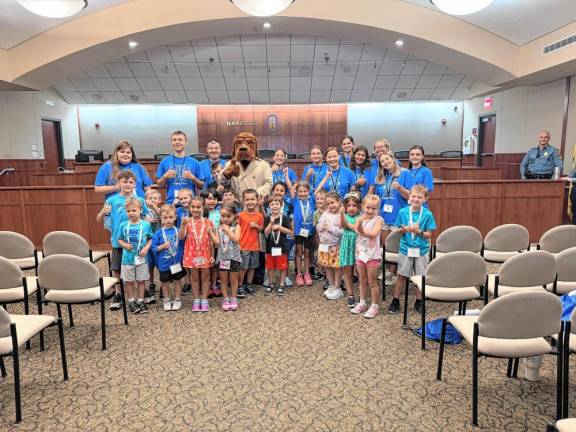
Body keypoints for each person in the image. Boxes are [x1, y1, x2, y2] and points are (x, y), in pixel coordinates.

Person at [96, 170, 149, 310]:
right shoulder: (111, 200)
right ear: (118, 183)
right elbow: (99, 219)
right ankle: (119, 293)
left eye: (130, 182)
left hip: (138, 244)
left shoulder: (140, 201)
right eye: (124, 182)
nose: (127, 184)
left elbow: (147, 218)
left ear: (135, 184)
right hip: (118, 242)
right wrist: (102, 212)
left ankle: (141, 295)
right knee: (117, 268)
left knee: (139, 268)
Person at [388, 185, 436, 314]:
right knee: (402, 275)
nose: (415, 199)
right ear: (409, 197)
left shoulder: (427, 214)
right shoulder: (403, 212)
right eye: (413, 196)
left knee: (420, 277)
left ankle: (419, 301)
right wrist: (402, 230)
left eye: (419, 197)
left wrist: (417, 231)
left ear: (425, 199)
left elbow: (429, 234)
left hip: (422, 250)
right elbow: (398, 229)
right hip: (405, 249)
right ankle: (396, 300)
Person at [180, 196, 218, 312]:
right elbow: (181, 237)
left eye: (198, 207)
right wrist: (182, 225)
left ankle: (204, 299)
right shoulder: (187, 222)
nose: (195, 209)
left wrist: (212, 255)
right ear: (189, 208)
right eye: (193, 207)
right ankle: (196, 299)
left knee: (206, 277)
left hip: (205, 253)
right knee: (194, 278)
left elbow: (214, 242)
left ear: (203, 207)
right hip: (192, 254)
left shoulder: (208, 222)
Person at [117, 197, 154, 315]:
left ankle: (141, 300)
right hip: (127, 259)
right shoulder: (123, 225)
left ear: (140, 210)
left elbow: (150, 239)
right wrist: (124, 245)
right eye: (128, 211)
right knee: (129, 282)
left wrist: (146, 248)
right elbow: (119, 239)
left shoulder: (146, 225)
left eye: (134, 210)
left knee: (141, 281)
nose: (131, 213)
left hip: (141, 259)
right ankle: (131, 301)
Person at [350, 194, 384, 319]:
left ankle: (375, 306)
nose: (370, 211)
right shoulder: (360, 218)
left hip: (372, 256)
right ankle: (362, 302)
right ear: (363, 206)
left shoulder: (379, 220)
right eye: (368, 207)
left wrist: (360, 228)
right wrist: (358, 224)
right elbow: (356, 230)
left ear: (378, 209)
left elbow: (373, 234)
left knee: (372, 282)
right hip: (361, 254)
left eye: (374, 209)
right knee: (362, 280)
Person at [151, 204, 186, 311]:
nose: (168, 220)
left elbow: (183, 240)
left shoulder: (178, 230)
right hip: (164, 263)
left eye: (171, 217)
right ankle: (166, 299)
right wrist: (162, 246)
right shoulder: (158, 233)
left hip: (176, 262)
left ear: (175, 217)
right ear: (161, 218)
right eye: (165, 218)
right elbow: (153, 248)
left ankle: (178, 299)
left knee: (177, 281)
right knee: (164, 282)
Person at [156, 131, 205, 204]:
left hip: (190, 203)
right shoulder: (165, 161)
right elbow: (159, 185)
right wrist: (165, 176)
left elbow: (201, 186)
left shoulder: (194, 162)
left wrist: (192, 178)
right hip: (171, 201)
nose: (177, 142)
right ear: (171, 142)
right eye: (174, 140)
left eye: (180, 139)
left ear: (185, 142)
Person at [220, 132, 272, 200]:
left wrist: (254, 195)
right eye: (239, 143)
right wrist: (226, 175)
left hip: (256, 203)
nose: (243, 146)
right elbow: (222, 182)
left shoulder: (264, 165)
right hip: (236, 205)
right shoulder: (230, 164)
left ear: (255, 147)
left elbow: (269, 184)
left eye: (249, 143)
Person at [263, 196, 293, 296]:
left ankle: (281, 284)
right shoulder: (267, 218)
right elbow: (266, 233)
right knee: (270, 267)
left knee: (282, 267)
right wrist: (271, 224)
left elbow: (289, 232)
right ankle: (271, 284)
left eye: (277, 204)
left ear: (281, 205)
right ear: (269, 206)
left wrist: (279, 227)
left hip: (281, 247)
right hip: (270, 248)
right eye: (272, 204)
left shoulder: (284, 218)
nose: (275, 206)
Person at [317, 191, 344, 300]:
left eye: (332, 202)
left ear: (339, 202)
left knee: (336, 267)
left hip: (334, 245)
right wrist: (321, 227)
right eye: (328, 204)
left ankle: (338, 288)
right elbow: (318, 225)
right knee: (327, 266)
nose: (330, 206)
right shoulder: (325, 214)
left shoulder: (341, 215)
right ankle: (331, 284)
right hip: (324, 244)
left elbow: (342, 232)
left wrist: (330, 229)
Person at [238, 189, 264, 298]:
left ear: (257, 200)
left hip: (255, 246)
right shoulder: (240, 215)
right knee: (244, 267)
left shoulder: (259, 216)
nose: (250, 202)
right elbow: (237, 229)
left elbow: (261, 230)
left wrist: (257, 226)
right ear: (243, 201)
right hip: (243, 245)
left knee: (252, 267)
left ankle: (249, 284)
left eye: (252, 199)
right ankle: (239, 285)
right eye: (247, 199)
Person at [289, 181, 315, 287]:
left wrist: (327, 176)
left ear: (308, 191)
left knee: (307, 253)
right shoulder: (295, 200)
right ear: (297, 192)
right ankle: (299, 274)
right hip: (298, 232)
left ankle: (307, 273)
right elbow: (291, 189)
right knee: (299, 253)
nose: (303, 193)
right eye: (300, 191)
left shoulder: (312, 199)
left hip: (309, 232)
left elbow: (318, 189)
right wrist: (286, 176)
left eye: (305, 191)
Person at [217, 204, 242, 311]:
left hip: (234, 258)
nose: (225, 219)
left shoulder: (237, 227)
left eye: (228, 216)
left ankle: (233, 297)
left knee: (233, 279)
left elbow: (236, 239)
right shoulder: (219, 228)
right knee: (223, 280)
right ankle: (225, 298)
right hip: (223, 258)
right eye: (223, 216)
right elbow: (217, 243)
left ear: (234, 216)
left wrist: (227, 230)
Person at [339, 192, 362, 308]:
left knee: (360, 272)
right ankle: (350, 295)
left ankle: (362, 296)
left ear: (359, 206)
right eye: (349, 206)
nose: (351, 208)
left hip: (359, 246)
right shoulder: (344, 216)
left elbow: (358, 229)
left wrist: (350, 226)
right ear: (345, 207)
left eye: (354, 205)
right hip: (346, 245)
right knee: (347, 272)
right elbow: (343, 224)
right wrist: (342, 214)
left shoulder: (361, 217)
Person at [202, 187, 222, 297]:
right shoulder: (202, 213)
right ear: (204, 199)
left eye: (214, 199)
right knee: (206, 266)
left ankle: (214, 285)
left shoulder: (219, 213)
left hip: (216, 242)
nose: (212, 201)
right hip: (204, 244)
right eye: (209, 199)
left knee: (215, 265)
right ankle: (206, 285)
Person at [144, 189, 162, 302]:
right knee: (149, 264)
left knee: (160, 264)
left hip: (159, 241)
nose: (152, 200)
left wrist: (154, 207)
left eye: (155, 198)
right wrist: (148, 220)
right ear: (146, 200)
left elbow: (161, 214)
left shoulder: (160, 209)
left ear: (160, 200)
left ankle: (162, 285)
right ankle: (151, 283)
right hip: (147, 241)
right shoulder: (144, 210)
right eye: (150, 198)